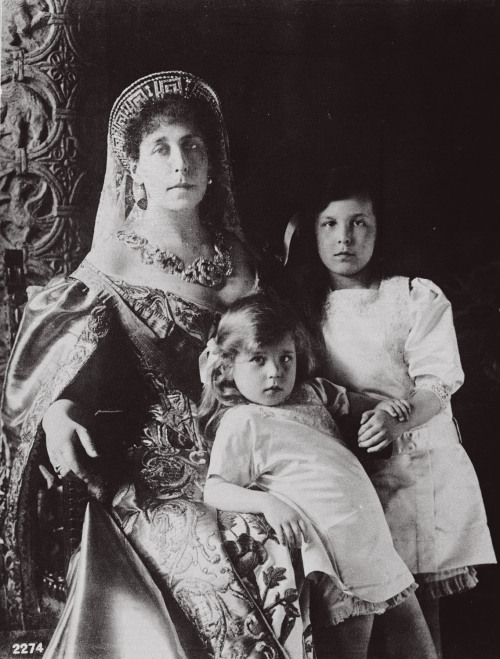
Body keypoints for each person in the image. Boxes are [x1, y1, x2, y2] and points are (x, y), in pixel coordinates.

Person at [0, 72, 305, 658]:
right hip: (159, 468)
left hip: (261, 446)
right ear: (133, 168)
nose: (179, 164)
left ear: (213, 165)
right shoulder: (106, 270)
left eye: (193, 146)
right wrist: (60, 417)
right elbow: (70, 379)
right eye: (160, 149)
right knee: (230, 550)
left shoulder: (244, 258)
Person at [283, 166, 497, 657]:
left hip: (417, 461)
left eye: (360, 223)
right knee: (359, 600)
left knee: (417, 604)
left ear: (379, 230)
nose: (345, 239)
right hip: (352, 466)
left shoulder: (411, 296)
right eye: (329, 224)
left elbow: (437, 384)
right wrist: (356, 408)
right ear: (310, 231)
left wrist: (394, 417)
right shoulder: (305, 309)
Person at [200, 293, 438, 659]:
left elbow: (362, 406)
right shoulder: (242, 421)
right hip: (335, 555)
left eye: (285, 358)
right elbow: (215, 489)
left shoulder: (312, 393)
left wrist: (384, 409)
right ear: (229, 366)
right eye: (258, 360)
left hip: (373, 542)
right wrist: (268, 503)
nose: (275, 372)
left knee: (421, 651)